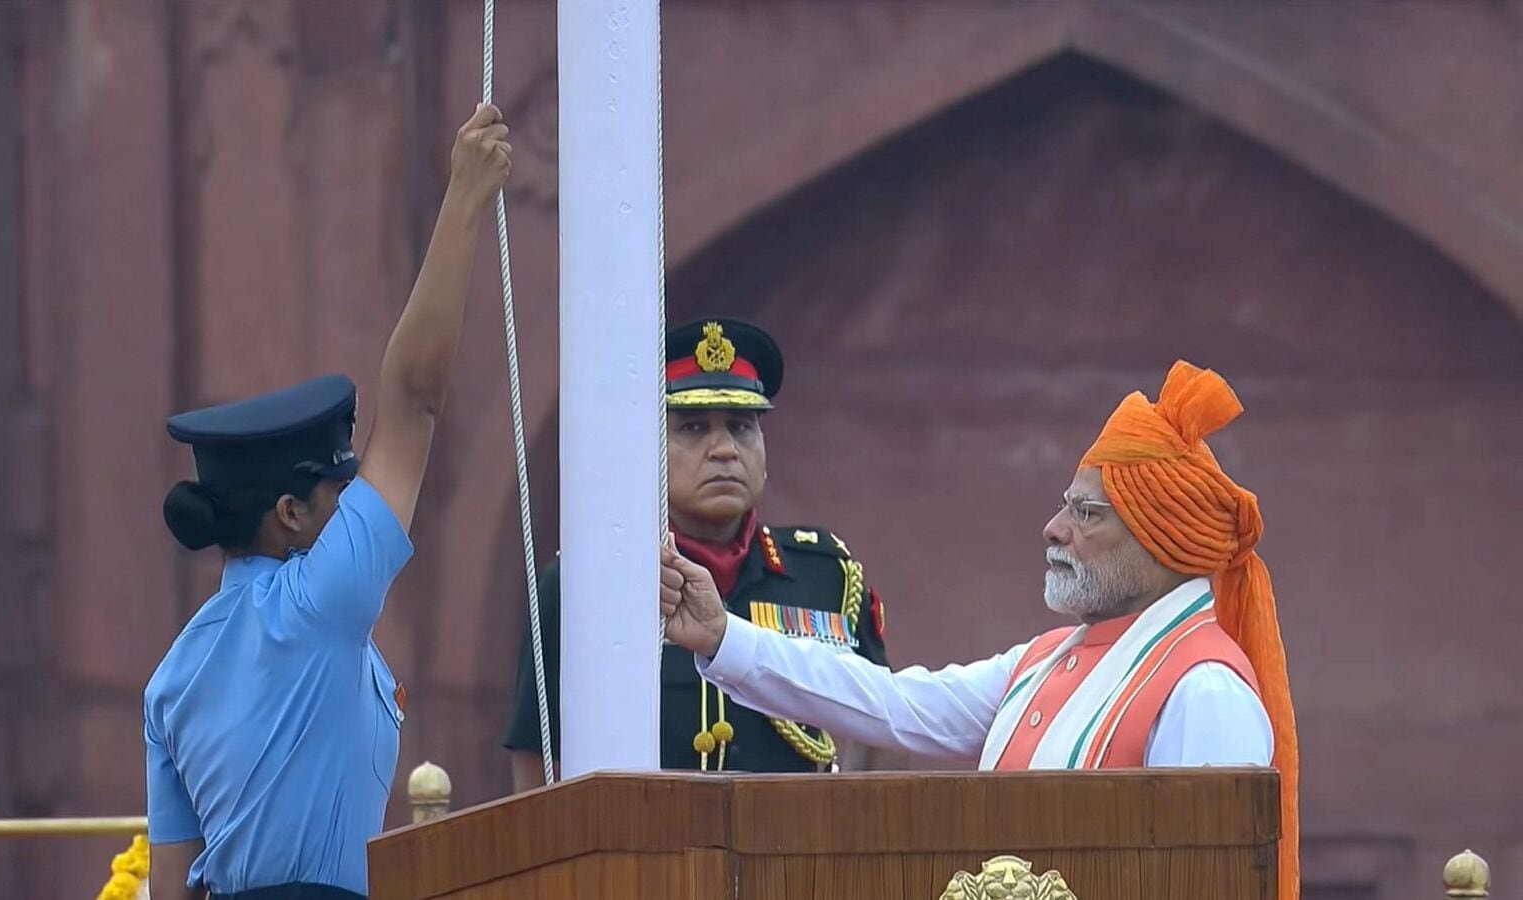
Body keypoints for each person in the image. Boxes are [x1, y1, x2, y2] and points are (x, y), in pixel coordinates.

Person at [659, 360, 1300, 900]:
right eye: (1064, 506)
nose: (1054, 529)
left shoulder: (1204, 689)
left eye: (1086, 512)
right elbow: (891, 704)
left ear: (1161, 539)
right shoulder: (1047, 661)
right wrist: (723, 636)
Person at [143, 103, 512, 900]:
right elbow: (413, 401)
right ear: (291, 515)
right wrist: (464, 199)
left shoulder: (172, 676)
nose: (356, 502)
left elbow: (168, 887)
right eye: (340, 490)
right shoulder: (319, 599)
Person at [504, 317, 892, 789]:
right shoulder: (583, 587)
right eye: (692, 427)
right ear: (646, 450)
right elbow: (540, 763)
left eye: (741, 427)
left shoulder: (826, 575)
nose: (724, 449)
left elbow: (883, 723)